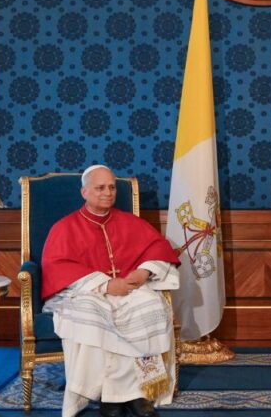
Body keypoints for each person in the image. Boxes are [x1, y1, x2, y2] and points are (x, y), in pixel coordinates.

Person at [41, 165, 181, 417]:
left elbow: (158, 248)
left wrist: (144, 272)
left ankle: (134, 394)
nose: (108, 192)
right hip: (85, 292)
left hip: (130, 288)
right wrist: (105, 285)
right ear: (84, 192)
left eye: (112, 187)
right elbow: (57, 266)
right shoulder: (65, 228)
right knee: (92, 318)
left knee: (151, 307)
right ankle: (112, 397)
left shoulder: (130, 222)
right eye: (100, 187)